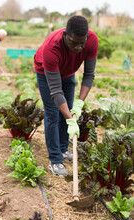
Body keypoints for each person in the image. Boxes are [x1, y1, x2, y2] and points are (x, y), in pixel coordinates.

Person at [34, 15, 98, 177]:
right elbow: (55, 91)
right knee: (53, 114)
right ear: (65, 35)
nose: (78, 47)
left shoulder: (91, 41)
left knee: (68, 109)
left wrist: (79, 105)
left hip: (69, 72)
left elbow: (89, 75)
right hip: (46, 72)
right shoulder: (51, 47)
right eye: (73, 42)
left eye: (81, 43)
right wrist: (70, 119)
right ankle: (55, 160)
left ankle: (63, 149)